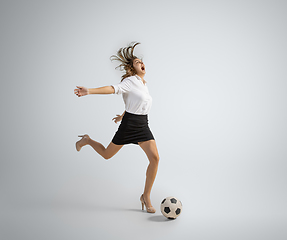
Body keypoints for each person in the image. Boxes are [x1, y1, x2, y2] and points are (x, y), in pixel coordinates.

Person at [74, 42, 159, 213]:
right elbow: (113, 89)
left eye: (141, 61)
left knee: (155, 159)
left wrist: (122, 114)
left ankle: (146, 196)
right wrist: (89, 91)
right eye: (136, 62)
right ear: (132, 68)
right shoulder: (130, 81)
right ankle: (87, 140)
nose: (141, 62)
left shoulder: (143, 84)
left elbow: (135, 102)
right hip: (129, 126)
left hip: (143, 125)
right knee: (106, 155)